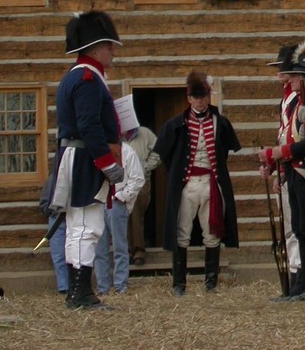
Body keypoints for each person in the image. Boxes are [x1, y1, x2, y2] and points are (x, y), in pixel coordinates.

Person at [51, 9, 124, 310]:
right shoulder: (86, 79)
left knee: (79, 226)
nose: (112, 53)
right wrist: (107, 162)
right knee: (86, 226)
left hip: (79, 155)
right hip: (83, 157)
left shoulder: (82, 76)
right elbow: (89, 125)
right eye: (109, 47)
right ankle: (81, 294)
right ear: (95, 48)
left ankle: (77, 292)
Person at [154, 71, 241, 296]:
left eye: (203, 96)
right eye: (196, 97)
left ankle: (210, 282)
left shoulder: (220, 123)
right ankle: (179, 284)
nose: (200, 101)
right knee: (181, 231)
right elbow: (166, 156)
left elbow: (225, 153)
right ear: (189, 98)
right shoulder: (176, 124)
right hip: (188, 184)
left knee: (211, 232)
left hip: (211, 182)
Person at [260, 42, 305, 300]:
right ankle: (304, 279)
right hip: (295, 170)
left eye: (293, 75)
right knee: (300, 227)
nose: (288, 79)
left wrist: (283, 153)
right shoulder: (299, 101)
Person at [94, 138, 144, 295]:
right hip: (98, 202)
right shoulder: (96, 149)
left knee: (120, 247)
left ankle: (120, 286)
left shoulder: (127, 151)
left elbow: (137, 178)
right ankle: (103, 287)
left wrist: (122, 196)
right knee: (99, 249)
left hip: (116, 202)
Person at [124, 125, 160, 267]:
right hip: (120, 181)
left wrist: (145, 166)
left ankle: (138, 251)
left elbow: (158, 150)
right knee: (120, 215)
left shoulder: (145, 133)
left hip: (140, 180)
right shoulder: (113, 134)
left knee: (136, 214)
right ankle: (124, 251)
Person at [39, 167, 69, 294]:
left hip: (75, 219)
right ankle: (63, 287)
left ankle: (76, 285)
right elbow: (44, 202)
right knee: (58, 255)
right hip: (57, 219)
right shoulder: (52, 179)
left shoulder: (78, 177)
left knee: (76, 253)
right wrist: (53, 211)